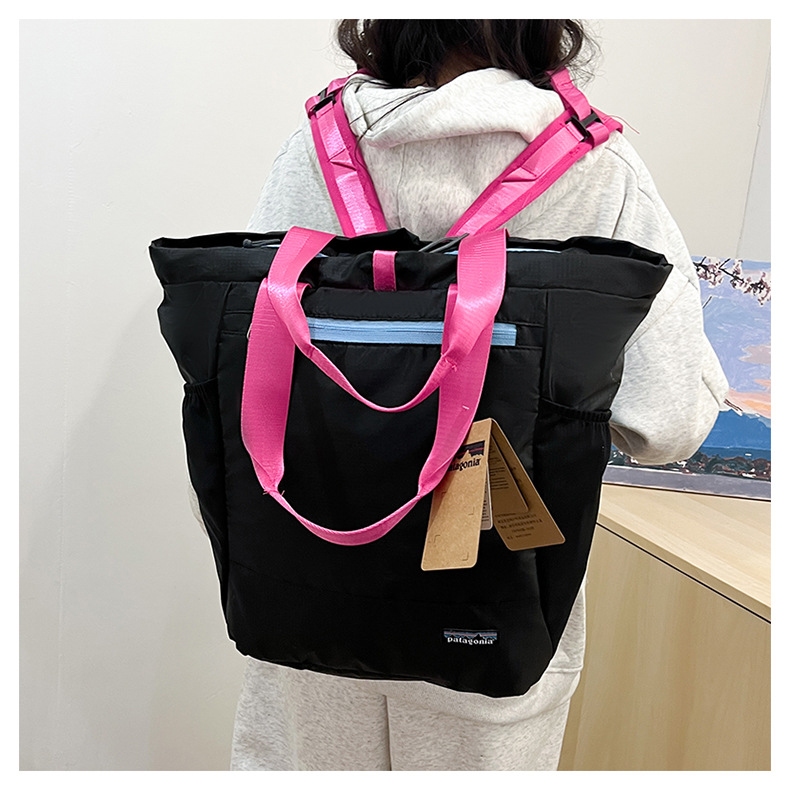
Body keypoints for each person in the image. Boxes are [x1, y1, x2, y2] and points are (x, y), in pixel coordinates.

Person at [227, 19, 728, 771]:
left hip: (312, 599)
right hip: (493, 611)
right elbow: (668, 422)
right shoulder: (597, 167)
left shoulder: (318, 145)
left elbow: (249, 362)